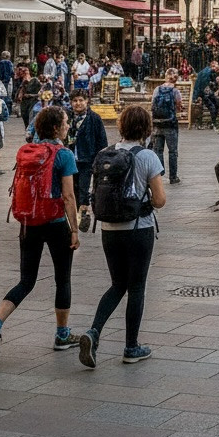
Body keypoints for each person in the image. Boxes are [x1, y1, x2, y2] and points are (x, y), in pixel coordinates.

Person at [0, 105, 79, 361]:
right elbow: (68, 196)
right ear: (56, 128)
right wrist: (74, 229)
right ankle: (62, 334)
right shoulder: (63, 154)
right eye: (66, 122)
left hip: (28, 223)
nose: (68, 126)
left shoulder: (27, 151)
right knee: (63, 279)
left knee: (26, 281)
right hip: (56, 224)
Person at [79, 105, 167, 367]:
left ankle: (94, 331)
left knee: (118, 284)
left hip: (109, 229)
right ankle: (131, 346)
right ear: (146, 129)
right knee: (137, 286)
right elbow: (160, 200)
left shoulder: (106, 153)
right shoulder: (148, 156)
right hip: (139, 228)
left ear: (121, 127)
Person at [66, 89, 108, 230]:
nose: (78, 103)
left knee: (84, 187)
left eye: (81, 100)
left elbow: (102, 141)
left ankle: (84, 213)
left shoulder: (94, 118)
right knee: (72, 187)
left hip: (87, 159)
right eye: (75, 101)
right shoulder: (67, 117)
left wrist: (100, 160)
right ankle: (75, 213)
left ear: (87, 101)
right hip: (70, 159)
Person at [150, 69, 182, 185]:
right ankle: (173, 177)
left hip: (157, 124)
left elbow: (152, 105)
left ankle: (159, 173)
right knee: (172, 151)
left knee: (158, 150)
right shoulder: (175, 91)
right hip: (170, 124)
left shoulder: (156, 90)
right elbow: (179, 106)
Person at [193, 60, 219, 129]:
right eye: (217, 67)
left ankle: (212, 122)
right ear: (213, 66)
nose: (218, 69)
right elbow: (203, 85)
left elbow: (210, 83)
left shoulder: (210, 71)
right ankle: (212, 123)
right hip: (203, 92)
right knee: (212, 107)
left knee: (216, 104)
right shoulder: (207, 72)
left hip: (206, 92)